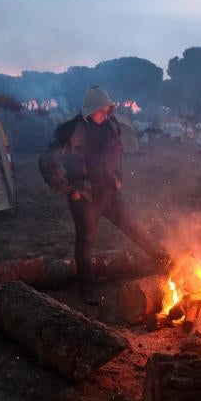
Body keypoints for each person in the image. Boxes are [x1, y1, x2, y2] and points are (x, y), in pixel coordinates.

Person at [39, 85, 169, 305]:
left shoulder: (111, 126)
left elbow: (118, 152)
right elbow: (46, 162)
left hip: (109, 190)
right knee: (86, 242)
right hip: (86, 195)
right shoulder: (69, 129)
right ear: (90, 108)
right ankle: (88, 288)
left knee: (133, 225)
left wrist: (118, 177)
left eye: (108, 109)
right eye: (102, 109)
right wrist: (69, 189)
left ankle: (163, 261)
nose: (106, 113)